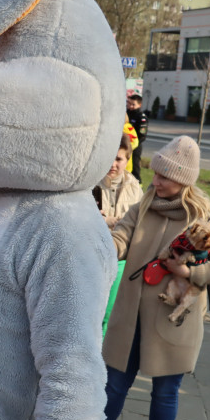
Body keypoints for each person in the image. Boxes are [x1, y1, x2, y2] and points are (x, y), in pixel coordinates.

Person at [100, 136, 210, 420]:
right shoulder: (144, 205)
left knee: (165, 392)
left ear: (186, 179)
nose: (156, 181)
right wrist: (99, 245)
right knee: (113, 386)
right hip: (130, 316)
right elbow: (121, 238)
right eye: (156, 173)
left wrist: (191, 273)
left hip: (172, 319)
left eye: (165, 176)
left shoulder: (207, 217)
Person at [96, 134, 144, 334]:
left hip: (120, 260)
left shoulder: (135, 189)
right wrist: (102, 220)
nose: (113, 164)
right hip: (92, 256)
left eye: (119, 159)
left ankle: (101, 359)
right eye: (110, 158)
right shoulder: (90, 184)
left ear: (127, 160)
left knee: (108, 314)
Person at [127, 93, 147, 180]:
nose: (130, 106)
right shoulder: (126, 114)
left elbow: (142, 136)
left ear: (139, 105)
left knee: (135, 168)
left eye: (133, 104)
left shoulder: (141, 117)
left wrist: (133, 145)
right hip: (125, 145)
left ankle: (138, 186)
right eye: (129, 103)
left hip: (135, 147)